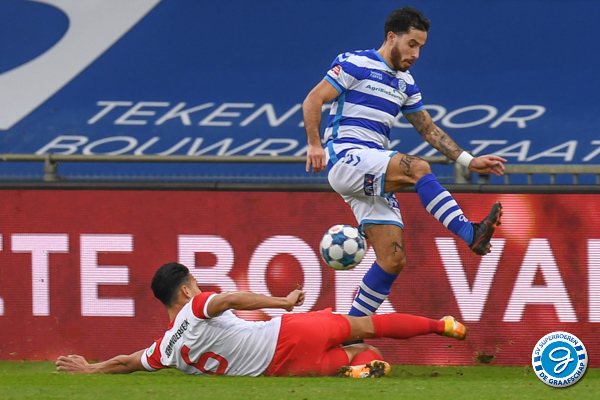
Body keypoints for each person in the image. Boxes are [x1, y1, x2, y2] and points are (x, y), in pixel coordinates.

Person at [302, 7, 505, 327]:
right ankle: (470, 232)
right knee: (418, 168)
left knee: (393, 259)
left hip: (371, 169)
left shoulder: (406, 84)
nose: (416, 54)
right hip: (346, 157)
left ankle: (351, 332)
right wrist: (315, 145)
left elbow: (429, 130)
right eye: (412, 44)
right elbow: (313, 100)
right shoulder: (354, 63)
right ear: (391, 37)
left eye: (421, 47)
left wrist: (469, 160)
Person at [56, 262, 468, 378]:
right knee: (365, 327)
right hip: (287, 332)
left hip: (280, 369)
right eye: (195, 283)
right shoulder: (195, 307)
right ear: (184, 292)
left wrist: (90, 368)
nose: (199, 288)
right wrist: (282, 302)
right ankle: (443, 326)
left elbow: (128, 362)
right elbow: (231, 298)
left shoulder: (164, 350)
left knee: (365, 353)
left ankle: (359, 370)